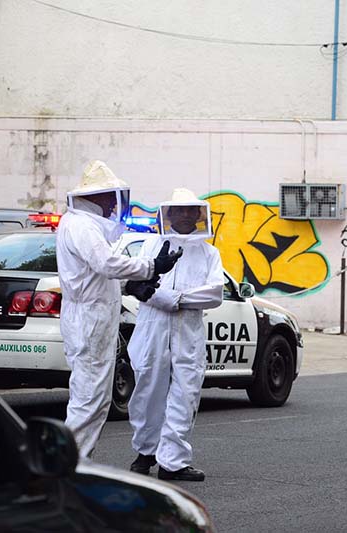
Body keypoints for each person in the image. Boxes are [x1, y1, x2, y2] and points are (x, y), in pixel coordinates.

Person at [56, 160, 182, 458]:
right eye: (109, 196)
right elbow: (106, 264)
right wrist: (150, 266)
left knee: (93, 398)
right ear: (97, 195)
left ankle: (75, 462)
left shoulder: (80, 224)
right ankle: (69, 465)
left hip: (89, 317)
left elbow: (94, 277)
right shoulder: (82, 226)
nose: (113, 204)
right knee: (89, 400)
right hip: (90, 320)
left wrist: (131, 286)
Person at [127, 188, 224, 482]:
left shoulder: (209, 253)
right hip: (152, 329)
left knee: (185, 393)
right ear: (168, 213)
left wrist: (173, 299)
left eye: (189, 210)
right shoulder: (151, 245)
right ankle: (145, 452)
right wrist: (150, 293)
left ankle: (173, 462)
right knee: (147, 391)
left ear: (198, 214)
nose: (184, 215)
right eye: (178, 210)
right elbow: (136, 283)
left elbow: (214, 293)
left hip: (188, 332)